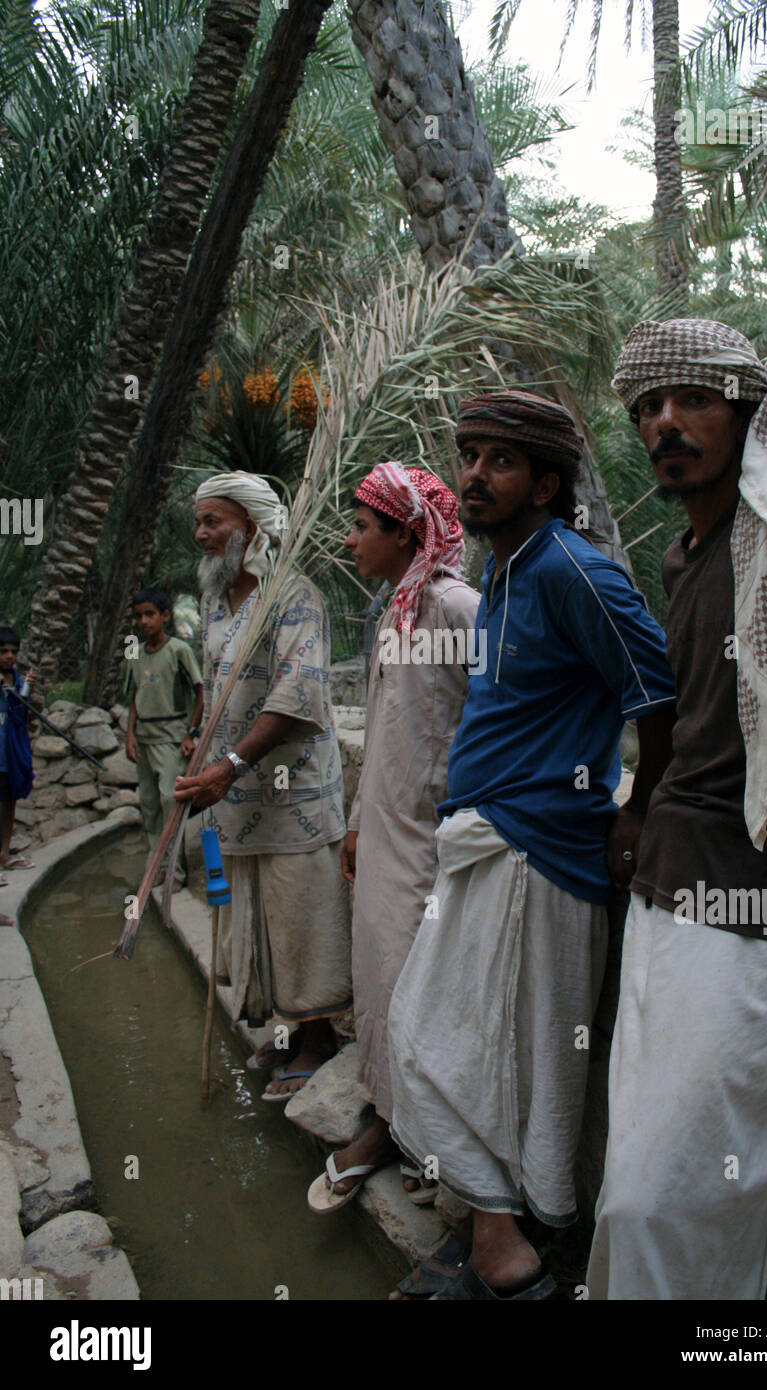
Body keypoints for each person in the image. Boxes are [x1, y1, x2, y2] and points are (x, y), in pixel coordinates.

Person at [586, 318, 767, 1300]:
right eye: (646, 409)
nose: (664, 422)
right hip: (666, 897)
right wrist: (633, 812)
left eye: (691, 400)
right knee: (631, 1183)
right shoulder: (685, 556)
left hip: (766, 911)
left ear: (745, 411)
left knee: (661, 1199)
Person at [387, 390, 677, 1299]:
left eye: (499, 461)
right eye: (468, 455)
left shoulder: (571, 569)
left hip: (536, 847)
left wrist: (637, 812)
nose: (474, 475)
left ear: (547, 483)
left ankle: (505, 1251)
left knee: (448, 1043)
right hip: (488, 841)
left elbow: (655, 691)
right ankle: (496, 1237)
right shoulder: (509, 570)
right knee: (470, 1050)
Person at [306, 462, 480, 1214]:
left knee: (418, 990)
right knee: (380, 981)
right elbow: (383, 732)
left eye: (361, 527)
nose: (350, 542)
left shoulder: (454, 608)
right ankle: (393, 1124)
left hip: (434, 839)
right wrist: (352, 824)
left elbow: (494, 721)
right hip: (381, 832)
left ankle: (409, 1135)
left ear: (407, 533)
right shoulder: (398, 612)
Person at [174, 471, 351, 1097]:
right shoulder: (218, 605)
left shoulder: (292, 595)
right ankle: (285, 1035)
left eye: (212, 521)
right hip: (235, 793)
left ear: (250, 528)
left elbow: (296, 694)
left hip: (288, 790)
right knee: (255, 910)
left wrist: (233, 766)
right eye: (198, 522)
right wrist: (202, 747)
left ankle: (319, 1038)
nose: (200, 534)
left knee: (299, 909)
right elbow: (219, 690)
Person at [125, 588, 203, 889]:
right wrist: (130, 734)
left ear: (165, 616)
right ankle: (156, 864)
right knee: (148, 803)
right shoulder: (136, 653)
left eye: (150, 614)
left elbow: (200, 693)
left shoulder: (178, 650)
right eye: (139, 616)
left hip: (170, 737)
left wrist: (190, 732)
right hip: (144, 737)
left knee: (170, 800)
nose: (143, 621)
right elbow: (134, 695)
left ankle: (175, 872)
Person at [0, 626, 36, 921]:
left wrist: (27, 689)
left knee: (9, 800)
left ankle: (4, 853)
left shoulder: (15, 678)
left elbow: (21, 707)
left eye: (13, 651)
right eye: (3, 652)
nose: (9, 656)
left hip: (12, 750)